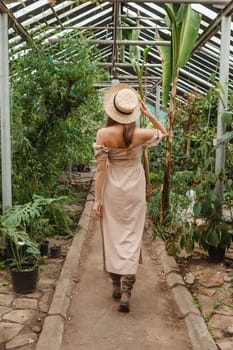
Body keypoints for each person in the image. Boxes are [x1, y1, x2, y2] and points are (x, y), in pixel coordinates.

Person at [93, 83, 168, 313]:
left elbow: (101, 170)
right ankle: (127, 289)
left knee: (113, 234)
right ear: (133, 112)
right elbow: (164, 133)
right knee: (132, 235)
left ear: (112, 111)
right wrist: (149, 114)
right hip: (135, 187)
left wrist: (97, 199)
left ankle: (116, 283)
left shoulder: (104, 134)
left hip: (113, 188)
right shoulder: (141, 134)